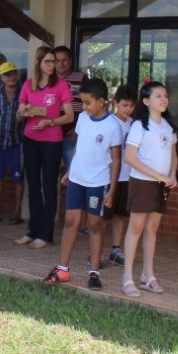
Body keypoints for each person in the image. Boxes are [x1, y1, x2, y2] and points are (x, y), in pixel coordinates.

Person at [44, 78, 123, 289]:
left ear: (102, 102)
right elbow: (80, 147)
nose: (85, 107)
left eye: (88, 103)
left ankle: (94, 272)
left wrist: (112, 190)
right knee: (71, 221)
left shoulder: (113, 126)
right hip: (77, 178)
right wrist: (70, 171)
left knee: (94, 224)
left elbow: (116, 160)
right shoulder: (83, 119)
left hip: (98, 182)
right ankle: (63, 269)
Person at [120, 81, 178, 298]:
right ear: (146, 101)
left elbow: (173, 155)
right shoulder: (139, 126)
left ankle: (148, 275)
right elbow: (130, 158)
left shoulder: (168, 126)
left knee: (152, 229)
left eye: (165, 96)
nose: (163, 99)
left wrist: (172, 175)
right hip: (143, 183)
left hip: (161, 185)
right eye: (158, 96)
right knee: (135, 228)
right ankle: (127, 278)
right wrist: (156, 175)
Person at [16, 47, 73, 248]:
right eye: (48, 61)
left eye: (54, 62)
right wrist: (23, 112)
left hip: (52, 141)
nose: (52, 65)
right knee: (33, 186)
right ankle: (33, 230)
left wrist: (50, 122)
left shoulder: (61, 85)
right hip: (30, 139)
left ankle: (46, 234)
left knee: (49, 187)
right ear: (38, 62)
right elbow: (18, 116)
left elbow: (69, 115)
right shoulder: (28, 85)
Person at [104, 84, 138, 267]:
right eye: (125, 105)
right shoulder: (109, 122)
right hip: (109, 176)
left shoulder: (134, 124)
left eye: (131, 106)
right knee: (103, 215)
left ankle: (115, 249)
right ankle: (96, 250)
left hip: (127, 175)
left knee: (120, 215)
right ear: (115, 103)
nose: (128, 109)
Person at [0, 61, 24, 225]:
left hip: (18, 141)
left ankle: (17, 213)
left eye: (14, 73)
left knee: (18, 178)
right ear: (2, 77)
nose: (11, 77)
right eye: (7, 74)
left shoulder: (24, 91)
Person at [53, 45, 86, 177]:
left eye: (64, 60)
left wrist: (79, 129)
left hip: (71, 135)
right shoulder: (48, 79)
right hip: (50, 135)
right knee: (50, 175)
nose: (60, 64)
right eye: (57, 60)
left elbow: (89, 107)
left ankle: (73, 198)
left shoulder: (82, 78)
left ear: (70, 61)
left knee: (73, 173)